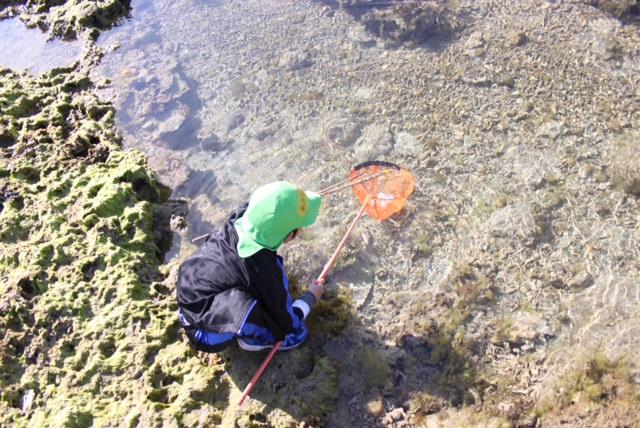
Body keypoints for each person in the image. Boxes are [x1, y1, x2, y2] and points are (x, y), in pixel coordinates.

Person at [176, 181, 324, 352]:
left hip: (189, 295)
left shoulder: (238, 219)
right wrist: (309, 299)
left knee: (249, 292)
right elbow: (287, 323)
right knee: (295, 334)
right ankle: (254, 340)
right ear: (290, 236)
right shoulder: (267, 271)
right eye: (301, 227)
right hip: (204, 334)